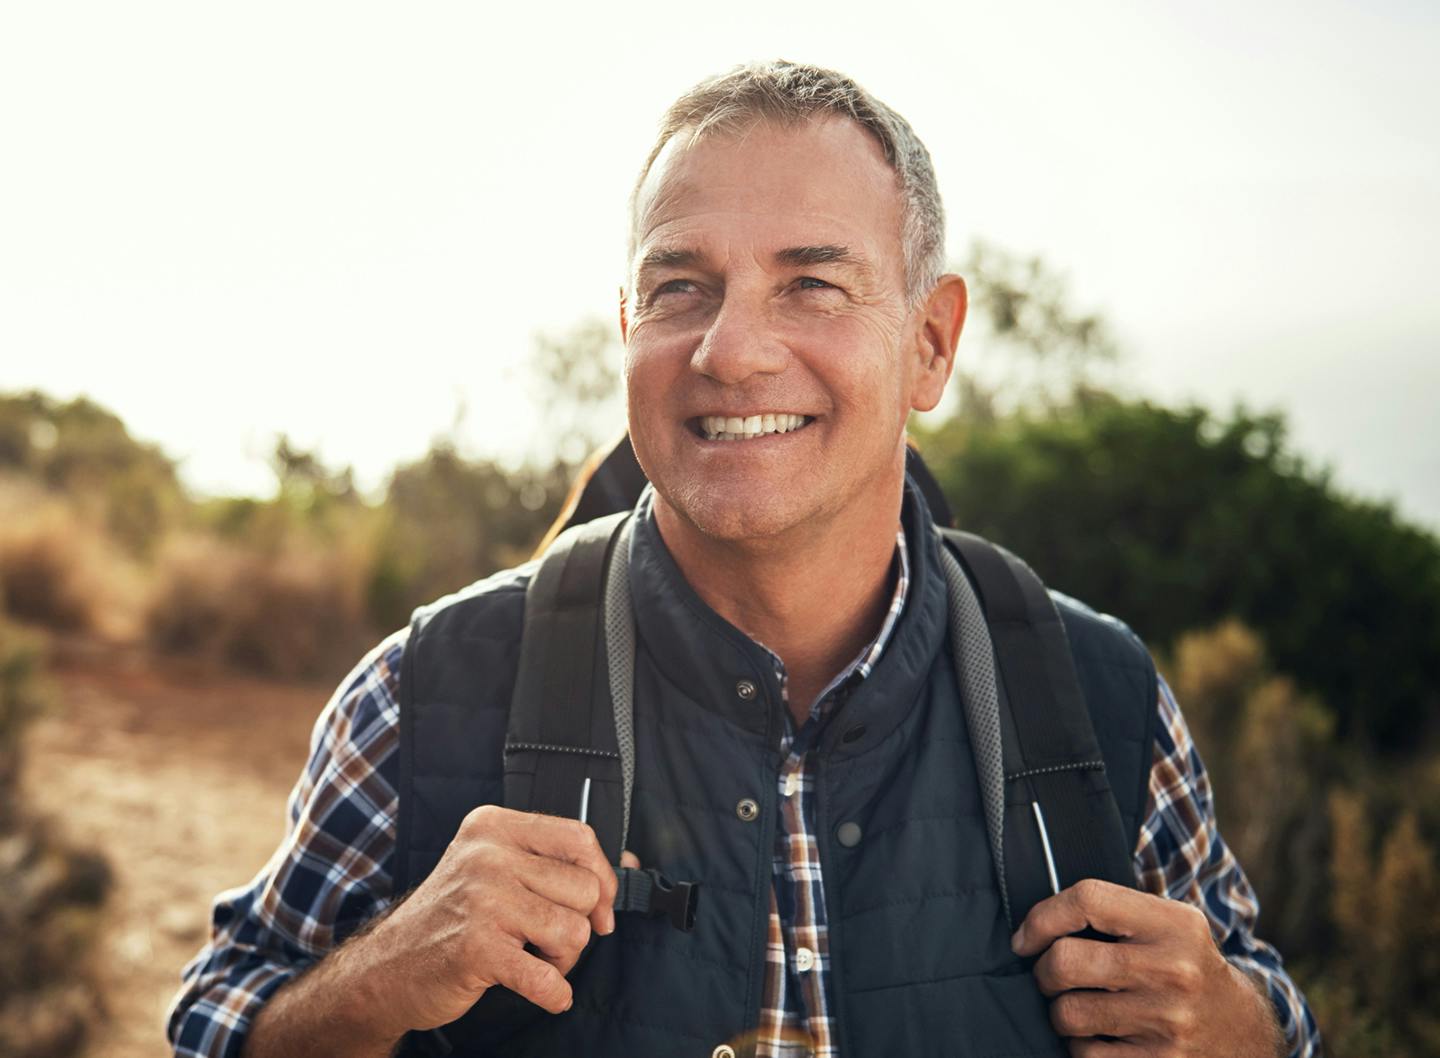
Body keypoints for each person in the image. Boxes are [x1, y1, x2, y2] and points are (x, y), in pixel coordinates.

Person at [167, 61, 1321, 1058]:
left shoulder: (1100, 695)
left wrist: (1232, 1021)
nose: (730, 350)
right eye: (682, 288)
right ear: (629, 329)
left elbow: (1271, 1017)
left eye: (809, 283)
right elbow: (221, 1015)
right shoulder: (421, 692)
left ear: (931, 342)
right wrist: (382, 977)